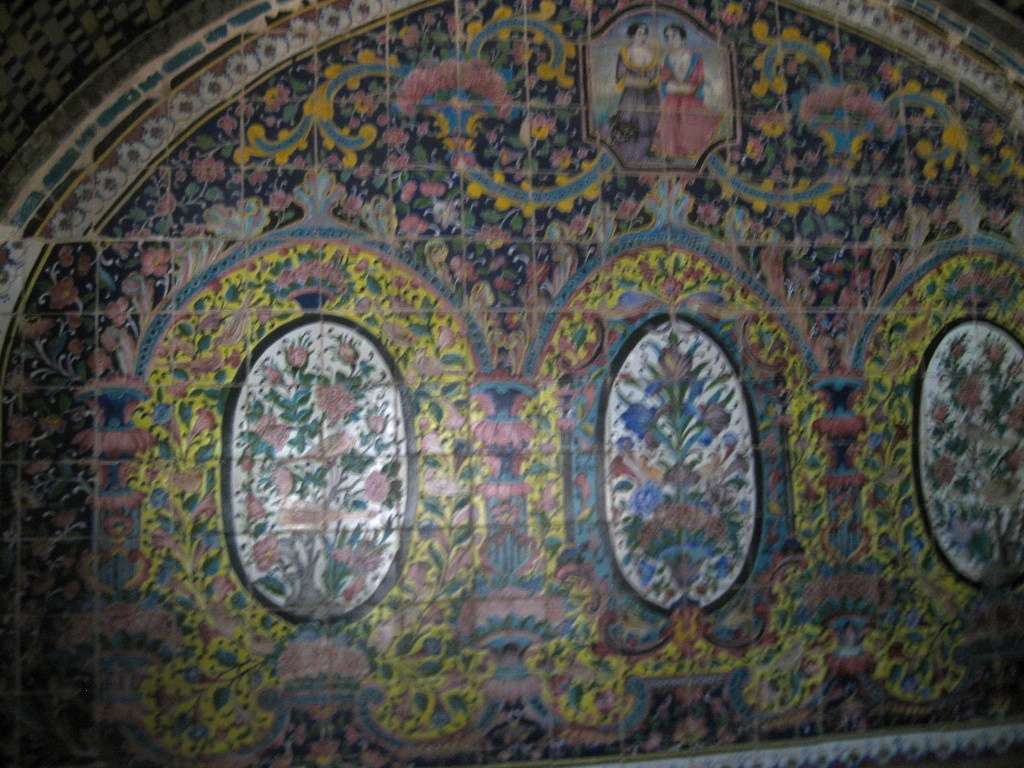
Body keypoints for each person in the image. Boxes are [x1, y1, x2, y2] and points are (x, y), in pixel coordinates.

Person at [651, 24, 722, 159]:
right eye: (668, 37)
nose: (671, 40)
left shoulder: (695, 58)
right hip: (671, 101)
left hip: (691, 100)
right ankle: (673, 153)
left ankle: (690, 153)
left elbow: (697, 83)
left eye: (674, 36)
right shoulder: (667, 59)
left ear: (683, 38)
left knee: (691, 127)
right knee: (669, 125)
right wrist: (676, 87)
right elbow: (665, 84)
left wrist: (682, 88)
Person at [609, 22, 661, 163]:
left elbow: (654, 76)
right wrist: (641, 81)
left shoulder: (652, 52)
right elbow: (621, 76)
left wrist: (648, 82)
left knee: (650, 121)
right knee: (629, 121)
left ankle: (645, 152)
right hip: (631, 94)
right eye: (639, 33)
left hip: (650, 94)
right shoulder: (625, 52)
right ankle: (628, 154)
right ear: (632, 35)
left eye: (645, 33)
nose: (643, 36)